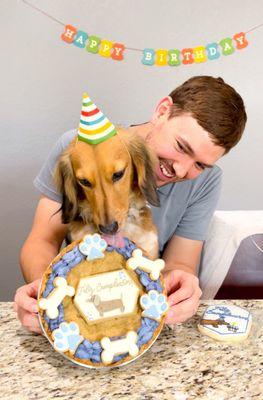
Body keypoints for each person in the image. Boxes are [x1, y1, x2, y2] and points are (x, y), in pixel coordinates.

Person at [14, 76, 247, 334]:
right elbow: (42, 240)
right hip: (79, 310)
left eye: (200, 164)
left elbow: (179, 263)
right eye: (181, 146)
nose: (180, 170)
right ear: (162, 111)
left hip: (139, 316)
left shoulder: (207, 182)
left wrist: (182, 286)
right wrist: (45, 290)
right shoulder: (78, 150)